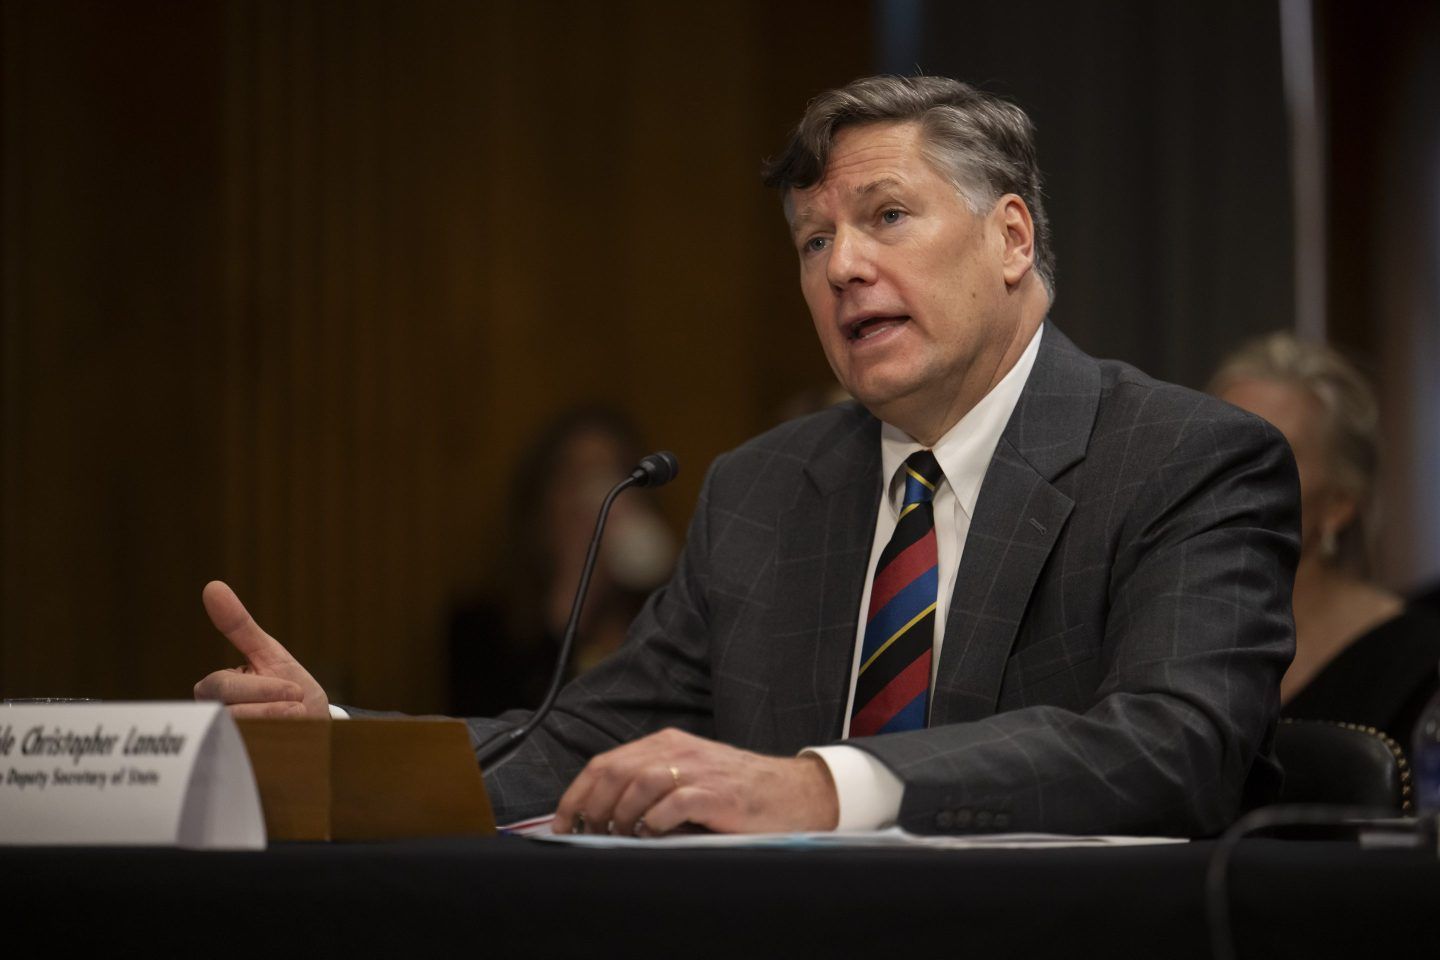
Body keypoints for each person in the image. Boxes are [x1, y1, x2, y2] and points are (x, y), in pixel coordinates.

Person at [195, 75, 1299, 837]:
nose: (842, 268)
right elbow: (577, 738)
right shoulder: (767, 490)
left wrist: (826, 788)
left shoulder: (1186, 458)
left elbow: (1175, 745)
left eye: (886, 217)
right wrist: (337, 745)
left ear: (1012, 237)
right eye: (815, 241)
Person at [1210, 333, 1440, 745]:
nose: (1229, 475)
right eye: (1216, 447)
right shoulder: (1158, 628)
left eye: (1268, 454)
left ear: (1339, 505)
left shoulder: (1417, 663)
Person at [447, 406, 676, 717]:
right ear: (540, 501)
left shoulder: (671, 620)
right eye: (576, 479)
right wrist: (574, 592)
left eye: (614, 476)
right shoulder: (481, 629)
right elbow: (495, 734)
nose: (597, 501)